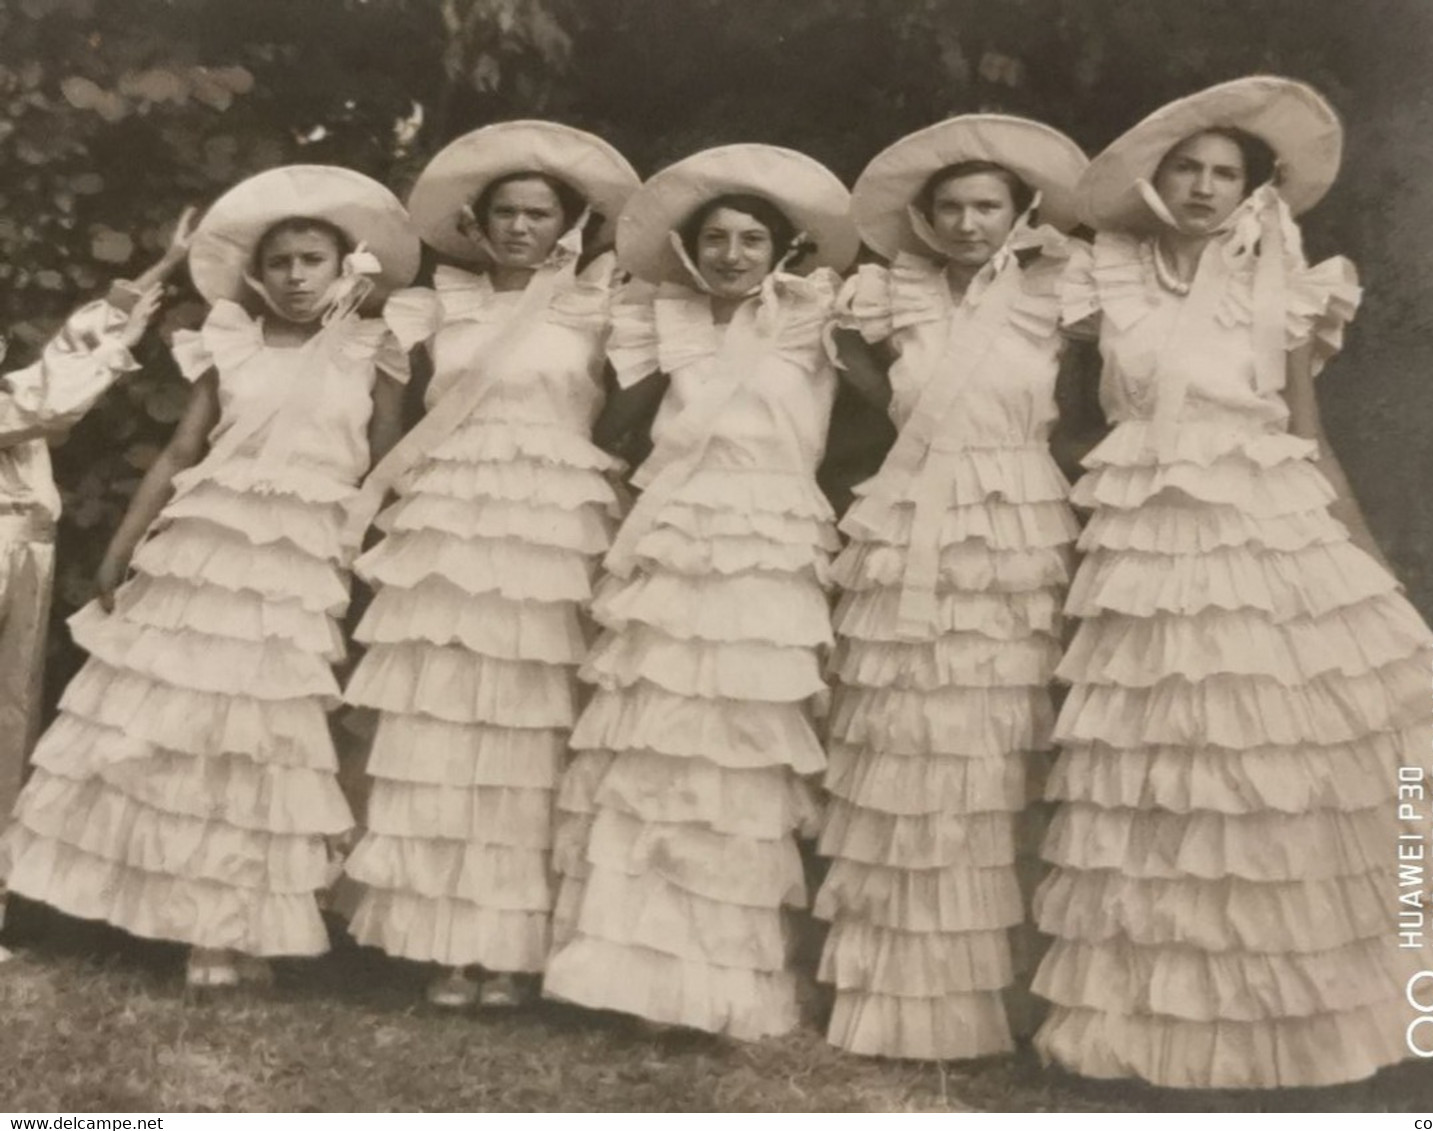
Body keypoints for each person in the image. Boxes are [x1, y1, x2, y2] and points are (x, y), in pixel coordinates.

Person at [1032, 76, 1433, 1088]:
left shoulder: (1283, 285)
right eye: (1185, 170)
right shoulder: (1101, 276)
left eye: (1222, 174)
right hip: (1145, 539)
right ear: (1155, 181)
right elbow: (1049, 408)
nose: (1201, 188)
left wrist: (1368, 556)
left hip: (1264, 521)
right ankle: (1169, 1037)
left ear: (1251, 189)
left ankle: (1317, 1023)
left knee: (1280, 757)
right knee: (1165, 772)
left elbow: (1306, 433)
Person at [2, 165, 420, 988]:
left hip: (303, 556)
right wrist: (122, 548)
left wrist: (370, 555)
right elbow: (179, 453)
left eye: (313, 261)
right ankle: (181, 926)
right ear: (257, 278)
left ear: (347, 270)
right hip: (206, 545)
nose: (297, 277)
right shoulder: (229, 343)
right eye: (281, 264)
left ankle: (237, 929)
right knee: (182, 730)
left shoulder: (377, 350)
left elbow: (384, 465)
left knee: (263, 739)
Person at [542, 145, 858, 1039]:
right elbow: (620, 422)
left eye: (750, 238)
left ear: (783, 247)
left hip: (770, 540)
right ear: (689, 248)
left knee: (741, 752)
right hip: (677, 538)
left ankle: (724, 979)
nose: (730, 254)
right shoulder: (658, 321)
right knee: (657, 742)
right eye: (713, 237)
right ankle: (633, 974)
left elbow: (891, 399)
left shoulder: (819, 319)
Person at [338, 121, 640, 1009]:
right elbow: (388, 411)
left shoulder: (603, 304)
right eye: (503, 212)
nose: (518, 228)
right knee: (441, 723)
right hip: (447, 516)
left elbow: (634, 409)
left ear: (568, 223)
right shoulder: (437, 304)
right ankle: (441, 945)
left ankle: (510, 949)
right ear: (476, 221)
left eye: (537, 214)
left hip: (551, 523)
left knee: (526, 730)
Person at [813, 116, 1090, 1060]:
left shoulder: (1060, 291)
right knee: (905, 744)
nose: (971, 223)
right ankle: (899, 995)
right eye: (953, 208)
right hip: (910, 519)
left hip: (1015, 526)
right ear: (924, 219)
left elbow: (1088, 402)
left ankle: (997, 995)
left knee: (999, 747)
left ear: (1020, 213)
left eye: (989, 206)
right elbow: (854, 380)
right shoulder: (888, 297)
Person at [0, 218, 190, 960]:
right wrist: (118, 334)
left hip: (24, 551)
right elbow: (45, 403)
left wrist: (149, 278)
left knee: (10, 717)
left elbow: (53, 367)